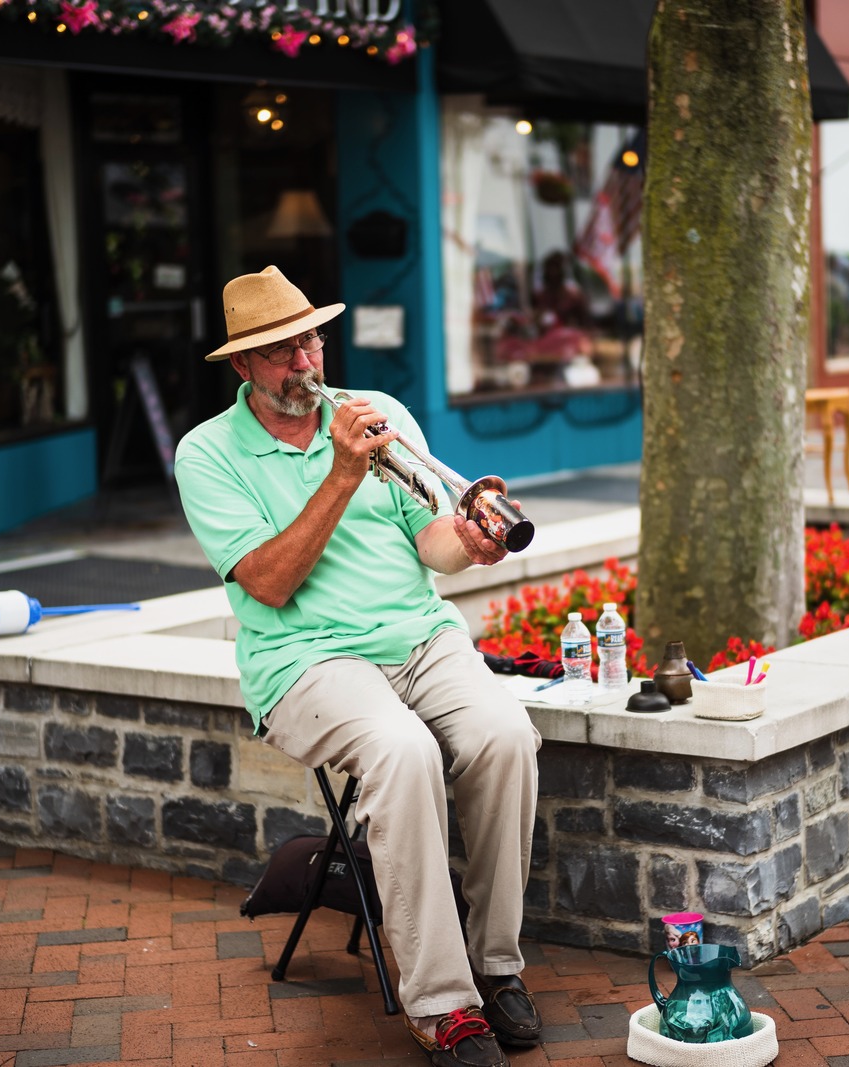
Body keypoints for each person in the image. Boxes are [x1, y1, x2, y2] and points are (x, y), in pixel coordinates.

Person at [174, 266, 543, 1067]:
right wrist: (342, 474)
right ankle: (443, 1004)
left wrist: (470, 545)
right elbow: (269, 582)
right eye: (280, 350)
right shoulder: (207, 455)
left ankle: (496, 964)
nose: (306, 361)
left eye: (310, 338)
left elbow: (431, 543)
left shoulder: (378, 414)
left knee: (506, 733)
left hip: (418, 636)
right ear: (243, 366)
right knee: (403, 750)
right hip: (308, 659)